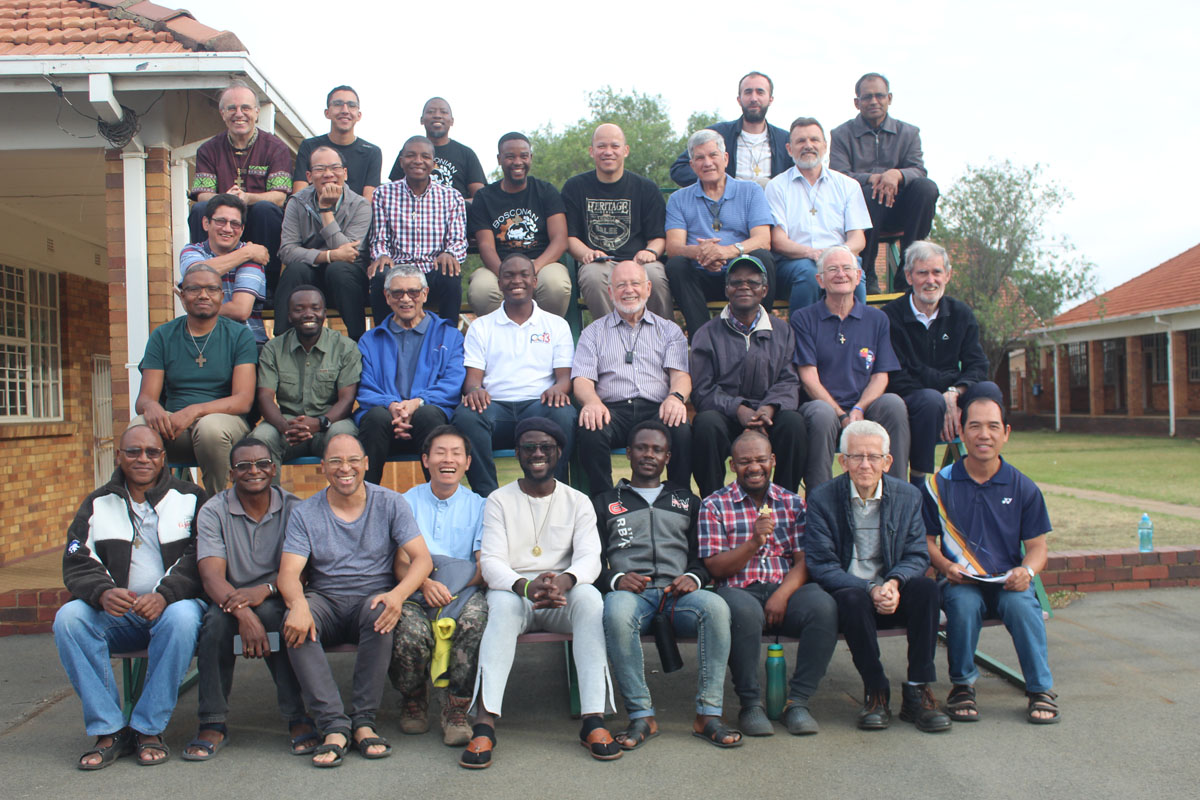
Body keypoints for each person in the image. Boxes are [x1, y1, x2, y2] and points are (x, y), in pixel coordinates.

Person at [462, 419, 619, 768]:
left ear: (558, 452)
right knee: (501, 608)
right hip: (516, 592)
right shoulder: (498, 500)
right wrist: (526, 586)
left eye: (546, 447)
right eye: (529, 447)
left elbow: (590, 558)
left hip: (563, 593)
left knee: (590, 600)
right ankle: (485, 722)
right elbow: (491, 561)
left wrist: (564, 581)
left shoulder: (577, 501)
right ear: (517, 453)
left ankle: (593, 720)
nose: (537, 454)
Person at [54, 424, 207, 769]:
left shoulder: (191, 498)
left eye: (152, 452)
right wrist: (103, 593)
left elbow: (203, 556)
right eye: (134, 452)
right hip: (119, 615)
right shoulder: (98, 503)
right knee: (69, 619)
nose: (143, 459)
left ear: (163, 458)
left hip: (172, 609)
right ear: (119, 456)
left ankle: (147, 728)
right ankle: (109, 729)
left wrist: (164, 595)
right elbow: (77, 558)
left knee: (183, 617)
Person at [279, 434, 434, 767]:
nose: (344, 468)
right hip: (326, 599)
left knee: (382, 611)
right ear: (323, 467)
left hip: (372, 596)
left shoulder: (390, 503)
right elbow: (289, 573)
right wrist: (299, 604)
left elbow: (422, 559)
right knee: (295, 625)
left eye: (352, 460)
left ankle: (363, 721)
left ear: (366, 464)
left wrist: (397, 595)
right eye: (335, 461)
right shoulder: (305, 512)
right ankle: (334, 725)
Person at [597, 421, 741, 750]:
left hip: (678, 596)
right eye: (642, 448)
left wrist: (694, 577)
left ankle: (708, 714)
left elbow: (702, 555)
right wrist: (616, 579)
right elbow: (590, 561)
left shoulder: (687, 501)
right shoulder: (605, 502)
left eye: (657, 449)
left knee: (716, 607)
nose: (649, 454)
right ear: (628, 453)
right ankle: (641, 715)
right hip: (632, 596)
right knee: (615, 611)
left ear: (668, 457)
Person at [923, 385, 1059, 725]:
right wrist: (945, 565)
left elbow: (1038, 548)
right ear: (961, 431)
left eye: (993, 426)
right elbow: (926, 541)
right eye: (975, 426)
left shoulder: (1023, 487)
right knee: (964, 605)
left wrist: (1027, 572)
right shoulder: (938, 485)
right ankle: (962, 686)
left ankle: (1040, 689)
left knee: (1023, 606)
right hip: (960, 580)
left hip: (1007, 580)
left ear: (1006, 433)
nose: (984, 435)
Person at [804, 421, 951, 733]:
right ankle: (876, 691)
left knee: (926, 590)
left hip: (893, 587)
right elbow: (822, 564)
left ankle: (918, 690)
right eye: (856, 456)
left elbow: (917, 554)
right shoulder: (822, 498)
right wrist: (870, 587)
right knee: (852, 599)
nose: (865, 464)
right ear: (842, 461)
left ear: (888, 461)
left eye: (873, 457)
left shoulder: (908, 496)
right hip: (852, 591)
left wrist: (894, 583)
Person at [698, 431, 837, 737]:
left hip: (785, 588)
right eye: (745, 461)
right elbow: (715, 567)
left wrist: (782, 595)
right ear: (732, 465)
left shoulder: (793, 503)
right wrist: (754, 542)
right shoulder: (714, 505)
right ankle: (750, 704)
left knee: (823, 606)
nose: (754, 467)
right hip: (739, 589)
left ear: (772, 460)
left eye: (761, 459)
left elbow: (805, 560)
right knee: (742, 612)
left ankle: (798, 702)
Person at [184, 438, 315, 761]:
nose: (254, 471)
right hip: (228, 597)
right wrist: (243, 614)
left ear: (274, 469)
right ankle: (212, 722)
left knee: (277, 618)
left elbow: (303, 571)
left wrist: (266, 590)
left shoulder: (295, 508)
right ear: (231, 473)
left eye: (262, 464)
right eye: (243, 466)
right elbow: (211, 577)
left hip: (277, 593)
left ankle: (298, 716)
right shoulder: (213, 511)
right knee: (215, 626)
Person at [389, 425, 487, 746]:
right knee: (408, 629)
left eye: (457, 453)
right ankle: (414, 698)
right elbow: (400, 562)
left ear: (467, 462)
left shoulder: (480, 506)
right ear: (425, 460)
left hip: (463, 589)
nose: (448, 460)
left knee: (474, 620)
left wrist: (450, 589)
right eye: (440, 453)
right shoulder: (405, 502)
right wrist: (426, 583)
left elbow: (482, 567)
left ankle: (457, 707)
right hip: (416, 589)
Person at [452, 254, 576, 496]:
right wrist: (475, 391)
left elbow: (564, 378)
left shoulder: (556, 325)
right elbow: (473, 380)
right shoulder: (481, 326)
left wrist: (558, 389)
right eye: (509, 276)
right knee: (466, 415)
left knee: (565, 413)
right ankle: (486, 496)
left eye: (523, 275)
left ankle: (553, 490)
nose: (516, 281)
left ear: (535, 281)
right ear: (499, 283)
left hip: (539, 404)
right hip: (495, 408)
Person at [791, 245, 910, 491]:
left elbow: (881, 376)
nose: (840, 274)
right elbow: (808, 378)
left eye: (847, 268)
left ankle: (897, 495)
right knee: (822, 414)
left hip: (864, 406)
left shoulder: (877, 319)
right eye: (832, 269)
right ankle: (819, 501)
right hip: (823, 407)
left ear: (858, 277)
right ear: (820, 280)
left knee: (893, 404)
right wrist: (842, 415)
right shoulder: (803, 319)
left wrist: (859, 408)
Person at [689, 255, 807, 497]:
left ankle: (785, 503)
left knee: (794, 424)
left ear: (764, 290)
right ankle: (713, 504)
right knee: (706, 424)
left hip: (769, 416)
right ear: (727, 290)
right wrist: (738, 409)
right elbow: (703, 389)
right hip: (726, 416)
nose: (744, 287)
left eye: (752, 282)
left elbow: (789, 381)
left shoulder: (783, 332)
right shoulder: (707, 334)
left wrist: (768, 409)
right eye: (736, 282)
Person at [134, 264, 257, 495]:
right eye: (194, 289)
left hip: (224, 426)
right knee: (138, 429)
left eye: (212, 289)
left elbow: (243, 400)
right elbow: (144, 398)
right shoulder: (163, 335)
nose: (203, 295)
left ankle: (218, 503)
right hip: (173, 427)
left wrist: (195, 411)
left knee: (210, 428)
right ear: (182, 296)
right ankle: (146, 502)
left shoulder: (239, 335)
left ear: (221, 295)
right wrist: (151, 406)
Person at [572, 260, 692, 493]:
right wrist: (592, 402)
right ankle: (603, 501)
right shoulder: (593, 332)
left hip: (657, 409)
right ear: (610, 292)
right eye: (621, 285)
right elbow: (582, 379)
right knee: (590, 428)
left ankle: (678, 499)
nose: (629, 290)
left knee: (681, 426)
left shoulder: (669, 330)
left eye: (635, 283)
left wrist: (675, 397)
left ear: (648, 288)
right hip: (612, 412)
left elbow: (680, 375)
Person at [882, 241, 990, 488]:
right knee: (931, 401)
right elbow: (897, 374)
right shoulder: (889, 316)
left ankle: (985, 475)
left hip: (952, 394)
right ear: (909, 276)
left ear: (948, 275)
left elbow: (978, 365)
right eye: (923, 273)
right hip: (911, 397)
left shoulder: (961, 313)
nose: (931, 280)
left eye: (937, 272)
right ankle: (918, 482)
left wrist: (955, 392)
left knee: (989, 391)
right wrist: (944, 392)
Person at [355, 265, 465, 486]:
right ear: (387, 297)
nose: (405, 299)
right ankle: (365, 497)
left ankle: (442, 495)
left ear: (425, 294)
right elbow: (365, 387)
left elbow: (452, 383)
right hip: (384, 422)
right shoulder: (370, 340)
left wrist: (417, 403)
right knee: (375, 417)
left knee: (428, 414)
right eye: (397, 293)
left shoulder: (450, 336)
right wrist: (393, 406)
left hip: (430, 421)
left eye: (413, 292)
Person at [830, 73, 939, 293]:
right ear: (857, 102)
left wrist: (896, 175)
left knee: (926, 188)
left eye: (879, 96)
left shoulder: (909, 133)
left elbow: (918, 170)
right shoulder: (841, 134)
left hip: (902, 210)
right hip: (861, 213)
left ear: (889, 98)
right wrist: (873, 178)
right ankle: (867, 272)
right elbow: (837, 175)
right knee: (870, 191)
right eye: (867, 97)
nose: (874, 101)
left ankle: (908, 269)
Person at [665, 129, 777, 336]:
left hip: (740, 272)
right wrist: (702, 253)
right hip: (699, 276)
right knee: (676, 265)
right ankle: (702, 340)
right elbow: (673, 247)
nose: (707, 163)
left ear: (725, 158)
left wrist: (726, 251)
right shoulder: (678, 199)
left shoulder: (751, 191)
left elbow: (763, 240)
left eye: (713, 155)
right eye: (700, 158)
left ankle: (759, 333)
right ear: (692, 165)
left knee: (763, 258)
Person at [188, 81, 292, 290]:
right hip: (222, 218)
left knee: (266, 209)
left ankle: (268, 287)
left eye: (245, 108)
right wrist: (226, 200)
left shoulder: (276, 148)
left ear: (256, 112)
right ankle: (202, 281)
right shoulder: (208, 149)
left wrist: (248, 198)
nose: (239, 114)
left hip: (257, 219)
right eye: (231, 108)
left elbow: (279, 196)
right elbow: (202, 195)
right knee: (200, 210)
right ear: (222, 113)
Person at [563, 123, 672, 320]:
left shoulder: (646, 188)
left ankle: (662, 334)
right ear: (591, 151)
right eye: (601, 146)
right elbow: (569, 237)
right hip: (600, 264)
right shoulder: (574, 187)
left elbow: (659, 237)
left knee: (655, 275)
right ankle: (613, 335)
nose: (608, 152)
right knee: (592, 276)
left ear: (625, 150)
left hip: (638, 262)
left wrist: (650, 252)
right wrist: (587, 253)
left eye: (615, 146)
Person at [765, 117, 872, 315]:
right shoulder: (776, 186)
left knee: (853, 275)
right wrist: (811, 253)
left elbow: (858, 240)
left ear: (825, 146)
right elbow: (778, 241)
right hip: (794, 262)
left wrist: (834, 256)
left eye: (814, 140)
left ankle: (857, 333)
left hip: (840, 256)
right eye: (801, 141)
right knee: (809, 275)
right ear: (789, 149)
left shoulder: (848, 185)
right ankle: (801, 334)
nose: (808, 145)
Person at [252, 286, 361, 468]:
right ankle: (271, 489)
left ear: (324, 313)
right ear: (289, 316)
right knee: (261, 439)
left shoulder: (345, 347)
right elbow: (265, 397)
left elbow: (347, 399)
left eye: (315, 308)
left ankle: (345, 488)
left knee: (343, 436)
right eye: (299, 309)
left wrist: (320, 423)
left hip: (330, 424)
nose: (308, 314)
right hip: (288, 426)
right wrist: (284, 426)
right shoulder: (273, 349)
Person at [467, 132, 571, 317]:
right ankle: (499, 334)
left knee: (555, 285)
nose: (517, 162)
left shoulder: (546, 191)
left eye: (523, 156)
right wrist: (506, 273)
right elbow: (485, 245)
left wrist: (533, 269)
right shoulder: (485, 197)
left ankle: (547, 332)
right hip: (500, 264)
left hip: (542, 263)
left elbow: (560, 239)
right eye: (510, 157)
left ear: (530, 157)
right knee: (481, 290)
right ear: (499, 159)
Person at [275, 146, 372, 341]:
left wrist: (325, 210)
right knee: (294, 270)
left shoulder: (360, 205)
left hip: (346, 281)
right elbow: (287, 250)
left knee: (339, 269)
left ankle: (358, 341)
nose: (328, 174)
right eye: (320, 169)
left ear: (345, 173)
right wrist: (327, 256)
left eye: (335, 168)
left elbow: (350, 254)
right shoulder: (297, 202)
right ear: (309, 176)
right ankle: (281, 343)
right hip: (310, 276)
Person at [368, 135, 467, 325]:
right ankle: (382, 334)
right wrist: (382, 255)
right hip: (397, 268)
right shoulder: (383, 194)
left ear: (433, 163)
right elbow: (379, 238)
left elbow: (458, 240)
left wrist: (449, 253)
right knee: (379, 274)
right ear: (401, 161)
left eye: (425, 156)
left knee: (451, 275)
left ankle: (448, 336)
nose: (418, 161)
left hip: (433, 268)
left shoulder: (452, 197)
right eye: (411, 156)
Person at [670, 71, 791, 188]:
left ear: (770, 99)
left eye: (760, 92)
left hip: (770, 201)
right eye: (748, 92)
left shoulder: (785, 140)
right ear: (739, 100)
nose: (753, 98)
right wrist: (718, 184)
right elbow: (679, 169)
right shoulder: (716, 135)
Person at [179, 193, 269, 345]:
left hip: (247, 341)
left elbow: (240, 311)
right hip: (200, 341)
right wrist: (247, 253)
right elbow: (196, 274)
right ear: (206, 223)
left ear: (242, 229)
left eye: (235, 224)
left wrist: (196, 308)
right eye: (221, 221)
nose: (228, 229)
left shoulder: (253, 258)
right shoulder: (191, 251)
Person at [292, 85, 383, 202]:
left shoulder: (372, 152)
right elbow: (299, 197)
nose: (345, 110)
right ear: (327, 113)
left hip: (356, 212)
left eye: (351, 105)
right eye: (338, 104)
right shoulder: (309, 146)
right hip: (313, 211)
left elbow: (368, 202)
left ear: (359, 115)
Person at [387, 97, 485, 202]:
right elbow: (394, 192)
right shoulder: (408, 152)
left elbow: (480, 198)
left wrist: (452, 205)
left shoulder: (466, 154)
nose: (437, 116)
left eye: (443, 112)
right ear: (421, 120)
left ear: (452, 121)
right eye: (431, 112)